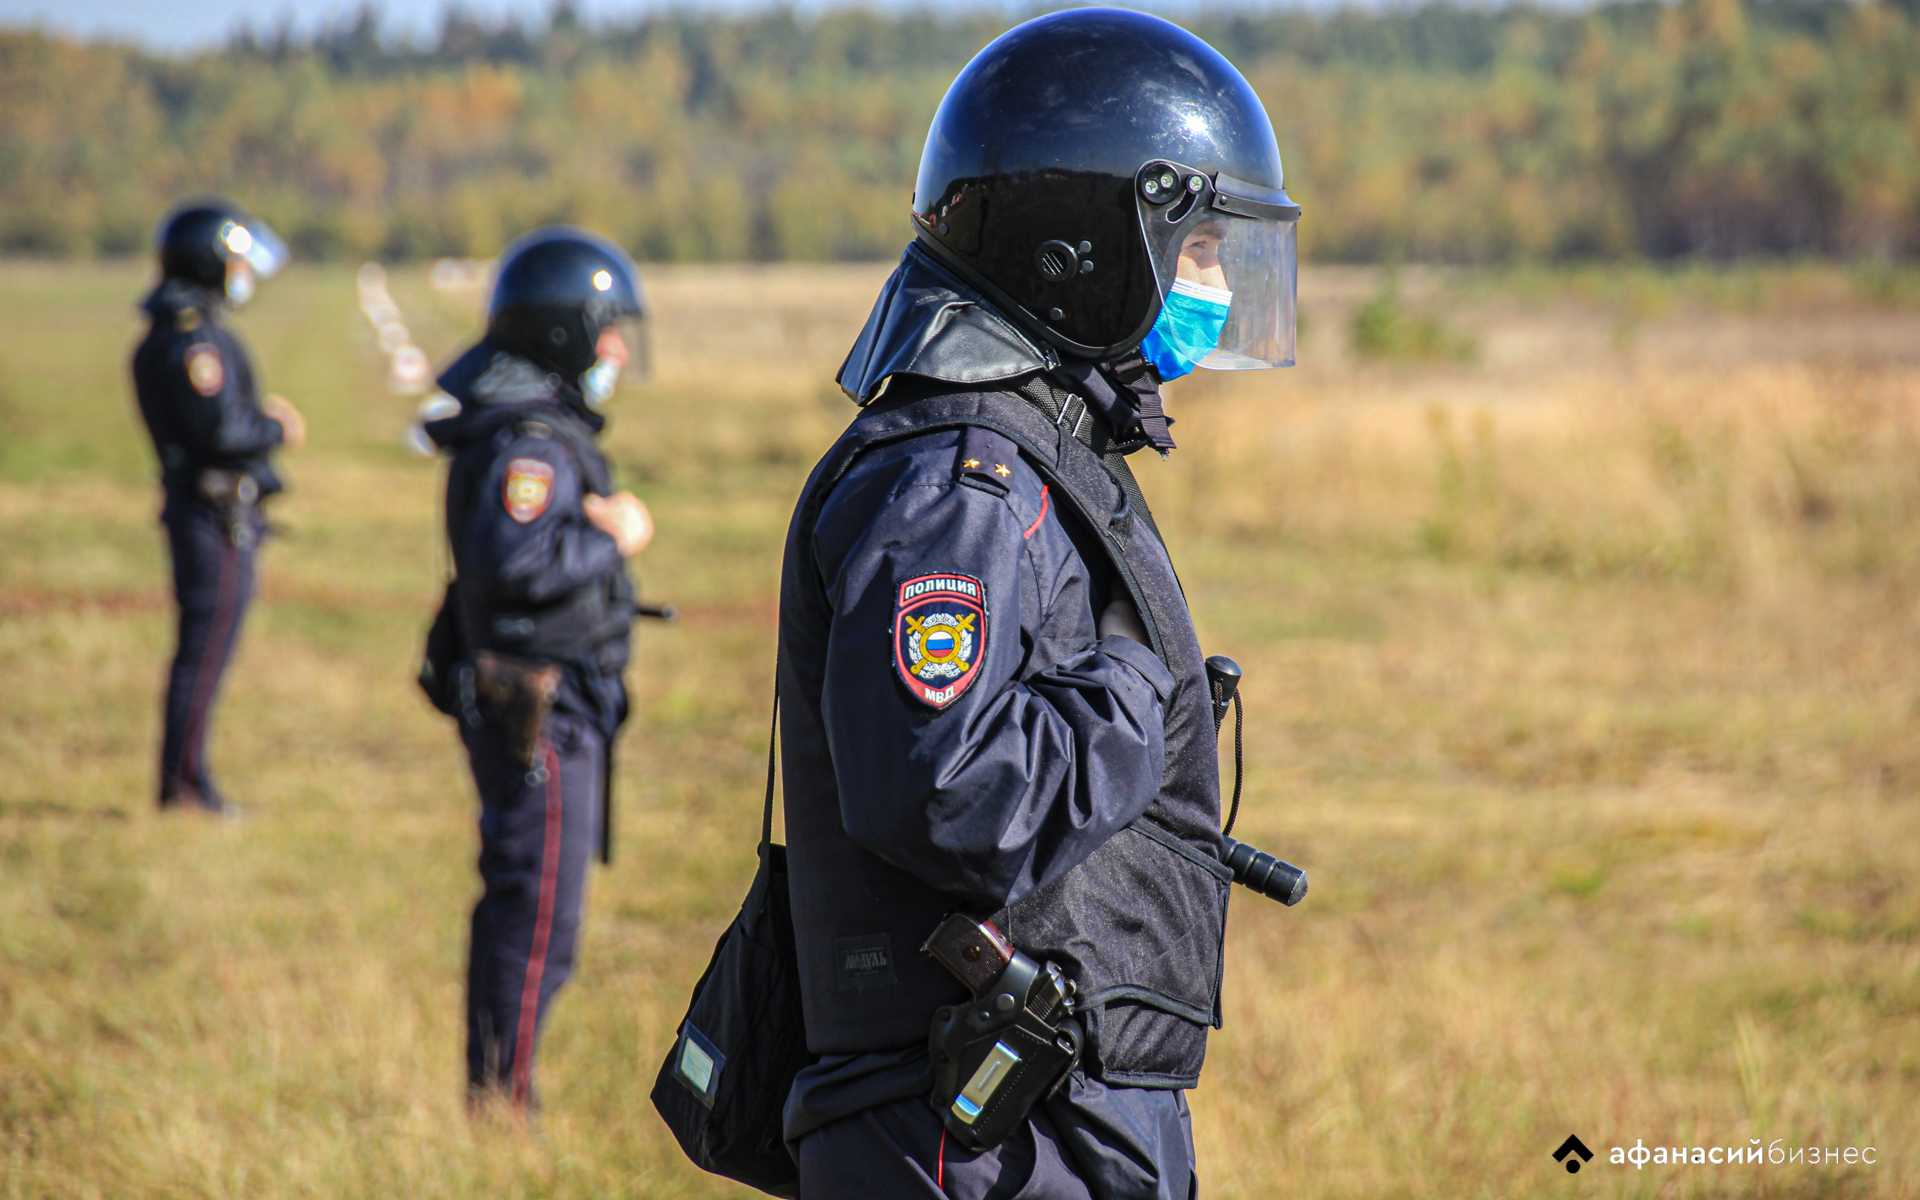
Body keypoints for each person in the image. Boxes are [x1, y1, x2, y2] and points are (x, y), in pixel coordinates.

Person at [775, 9, 1301, 1196]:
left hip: (1053, 1109)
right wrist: (1134, 693)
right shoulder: (957, 480)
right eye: (1201, 249)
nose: (1214, 282)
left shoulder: (1036, 449)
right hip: (976, 1130)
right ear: (1079, 248)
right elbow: (947, 794)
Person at [417, 227, 653, 1114]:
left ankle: (498, 1090)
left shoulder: (532, 426)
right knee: (537, 914)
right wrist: (606, 532)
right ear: (563, 334)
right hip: (539, 712)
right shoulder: (529, 442)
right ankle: (502, 1106)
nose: (619, 350)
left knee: (535, 906)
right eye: (606, 331)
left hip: (546, 704)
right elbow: (512, 564)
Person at [132, 197, 303, 816]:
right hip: (212, 515)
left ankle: (187, 777)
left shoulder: (183, 329)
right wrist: (274, 426)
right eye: (233, 261)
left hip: (208, 510)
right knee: (202, 654)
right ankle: (183, 785)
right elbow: (221, 433)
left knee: (203, 652)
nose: (243, 274)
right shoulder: (193, 340)